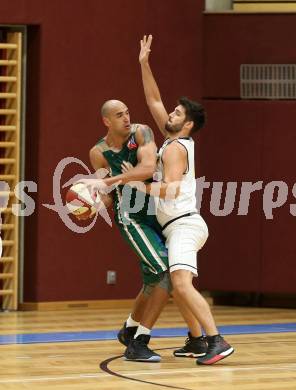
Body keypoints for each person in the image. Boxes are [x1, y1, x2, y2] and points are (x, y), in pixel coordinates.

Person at [124, 35, 234, 365]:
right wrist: (144, 64)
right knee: (174, 284)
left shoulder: (174, 148)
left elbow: (170, 190)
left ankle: (217, 340)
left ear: (186, 124)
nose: (169, 112)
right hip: (177, 225)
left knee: (182, 285)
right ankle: (197, 341)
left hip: (183, 224)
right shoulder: (173, 139)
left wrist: (139, 186)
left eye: (176, 112)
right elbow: (154, 100)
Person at [87, 99, 206, 361]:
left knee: (156, 279)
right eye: (119, 115)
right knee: (164, 272)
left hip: (156, 214)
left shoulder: (142, 132)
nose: (127, 118)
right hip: (131, 218)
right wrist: (94, 205)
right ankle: (139, 341)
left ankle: (131, 329)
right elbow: (108, 195)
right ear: (107, 121)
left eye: (127, 112)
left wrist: (115, 179)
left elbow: (148, 168)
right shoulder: (98, 152)